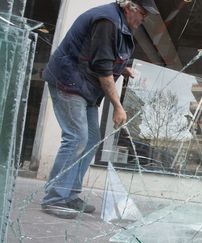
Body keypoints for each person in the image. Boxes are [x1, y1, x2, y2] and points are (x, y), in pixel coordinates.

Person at [41, 0, 159, 219]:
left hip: (84, 86)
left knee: (92, 137)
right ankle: (55, 197)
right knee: (76, 137)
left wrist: (123, 68)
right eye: (143, 13)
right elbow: (102, 67)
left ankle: (70, 195)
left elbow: (102, 55)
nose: (145, 19)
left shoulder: (119, 22)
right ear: (130, 7)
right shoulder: (109, 21)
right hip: (69, 82)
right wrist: (118, 106)